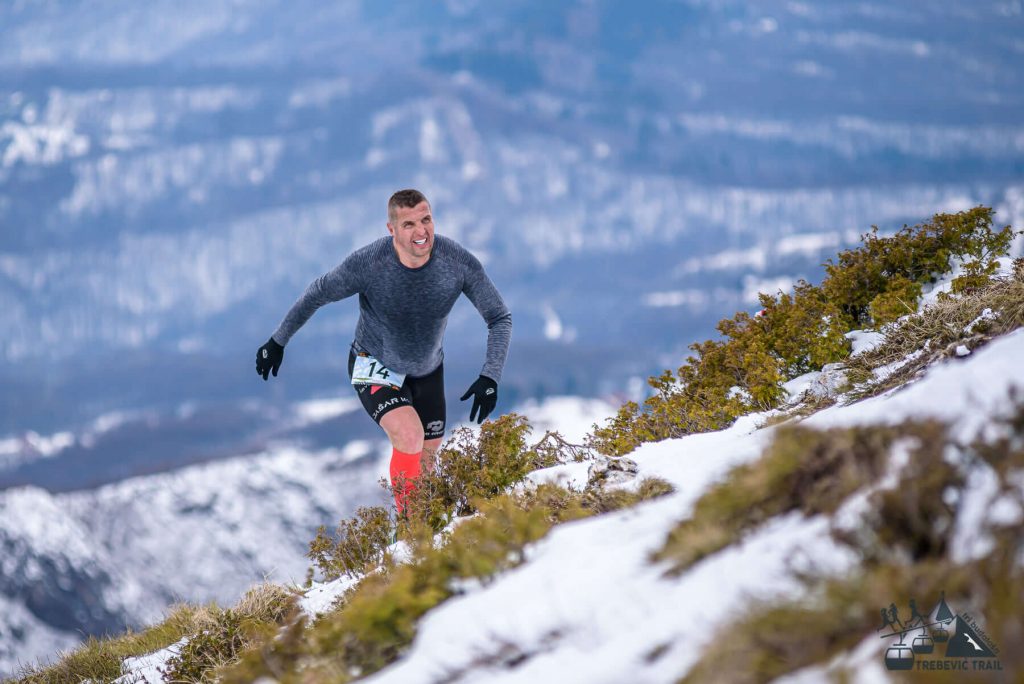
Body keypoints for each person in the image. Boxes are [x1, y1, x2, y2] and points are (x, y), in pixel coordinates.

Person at [255, 189, 512, 514]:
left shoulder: (458, 263)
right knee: (409, 435)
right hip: (373, 363)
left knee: (427, 465)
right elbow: (317, 293)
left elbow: (499, 317)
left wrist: (490, 376)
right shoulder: (369, 264)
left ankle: (419, 534)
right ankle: (409, 532)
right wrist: (278, 340)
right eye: (409, 224)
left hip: (428, 370)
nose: (421, 232)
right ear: (391, 229)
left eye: (426, 219)